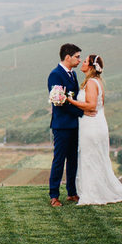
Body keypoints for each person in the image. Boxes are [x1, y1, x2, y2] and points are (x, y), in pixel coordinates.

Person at [67, 54, 122, 205]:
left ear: (90, 66)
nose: (82, 63)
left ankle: (94, 193)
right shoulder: (97, 82)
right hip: (96, 123)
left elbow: (91, 105)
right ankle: (95, 190)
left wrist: (71, 101)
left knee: (91, 157)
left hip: (91, 125)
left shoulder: (91, 83)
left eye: (85, 61)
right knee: (95, 157)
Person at [47, 43, 85, 207]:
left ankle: (72, 192)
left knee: (73, 160)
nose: (79, 60)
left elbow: (74, 98)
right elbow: (59, 102)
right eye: (77, 56)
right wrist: (81, 113)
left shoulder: (73, 75)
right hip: (62, 126)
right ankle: (54, 195)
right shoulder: (55, 75)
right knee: (59, 160)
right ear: (67, 57)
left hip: (74, 125)